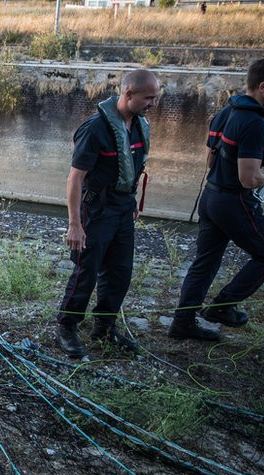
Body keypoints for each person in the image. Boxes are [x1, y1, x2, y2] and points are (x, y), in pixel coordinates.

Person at [168, 59, 264, 342]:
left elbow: (212, 158)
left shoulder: (227, 110)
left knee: (206, 261)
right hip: (234, 201)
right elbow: (249, 180)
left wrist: (263, 152)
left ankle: (182, 323)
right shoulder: (253, 121)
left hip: (211, 196)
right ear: (263, 86)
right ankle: (223, 308)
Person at [55, 70, 160, 358]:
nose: (153, 103)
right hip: (97, 210)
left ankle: (104, 328)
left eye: (155, 97)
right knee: (86, 271)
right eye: (148, 97)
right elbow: (75, 178)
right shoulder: (96, 128)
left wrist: (132, 203)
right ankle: (66, 325)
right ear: (128, 94)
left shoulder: (138, 125)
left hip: (123, 208)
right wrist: (75, 224)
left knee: (120, 272)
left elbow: (132, 169)